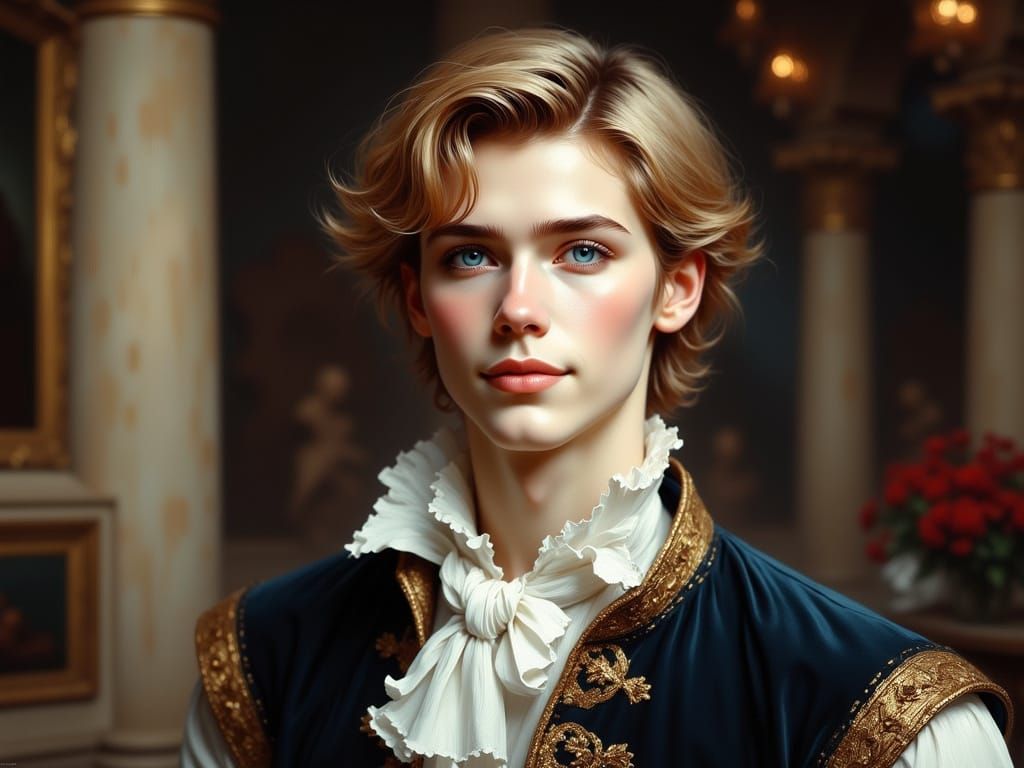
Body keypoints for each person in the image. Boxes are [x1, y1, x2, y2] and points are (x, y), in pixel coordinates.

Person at [181, 28, 1013, 768]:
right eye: (470, 257)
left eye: (580, 251)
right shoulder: (262, 660)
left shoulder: (888, 717)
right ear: (414, 300)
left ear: (676, 289)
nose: (517, 310)